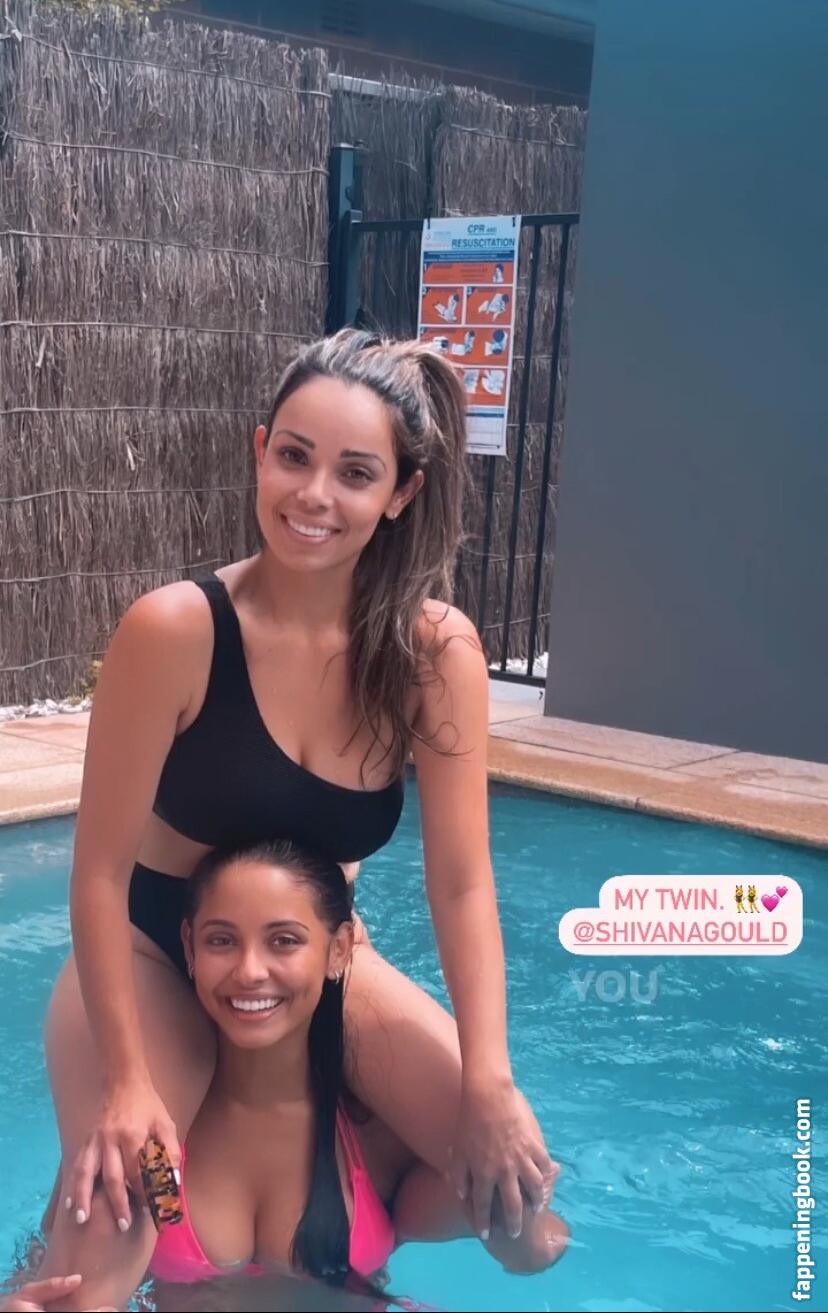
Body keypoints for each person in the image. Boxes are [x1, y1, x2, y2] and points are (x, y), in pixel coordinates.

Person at [41, 328, 556, 1310]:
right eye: (294, 456)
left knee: (521, 1218)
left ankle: (341, 1215)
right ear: (260, 451)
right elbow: (98, 875)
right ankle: (159, 1225)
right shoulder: (175, 631)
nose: (314, 495)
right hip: (154, 957)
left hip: (317, 961)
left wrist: (488, 1076)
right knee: (102, 1261)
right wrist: (126, 1080)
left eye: (355, 472)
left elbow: (462, 884)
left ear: (400, 492)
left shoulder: (433, 654)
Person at [38, 841, 567, 1309]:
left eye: (284, 941)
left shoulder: (373, 1142)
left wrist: (518, 1213)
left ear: (338, 950)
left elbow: (535, 1245)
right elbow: (56, 1279)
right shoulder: (159, 1140)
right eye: (221, 940)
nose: (250, 970)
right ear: (189, 947)